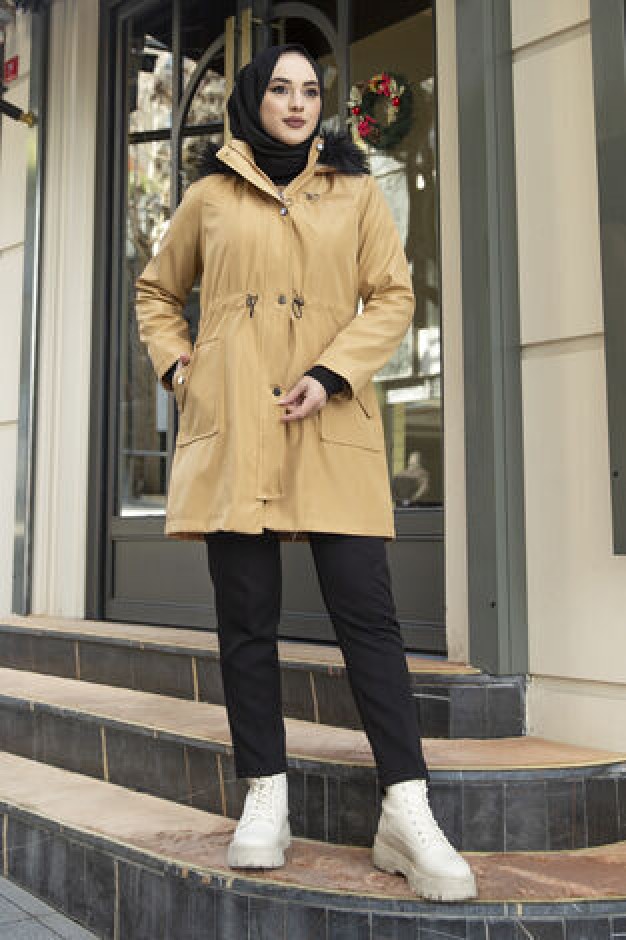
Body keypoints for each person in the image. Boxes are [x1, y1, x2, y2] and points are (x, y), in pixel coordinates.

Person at [135, 43, 476, 903]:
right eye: (281, 89)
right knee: (245, 619)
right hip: (236, 425)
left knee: (369, 617)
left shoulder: (356, 192)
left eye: (311, 90)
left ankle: (406, 808)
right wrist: (182, 370)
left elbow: (393, 295)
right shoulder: (210, 196)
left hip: (328, 420)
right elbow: (156, 293)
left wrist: (332, 371)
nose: (297, 102)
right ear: (254, 99)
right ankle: (265, 796)